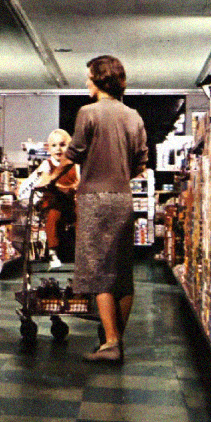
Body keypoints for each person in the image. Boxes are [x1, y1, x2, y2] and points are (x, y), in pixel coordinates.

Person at [37, 55, 148, 363]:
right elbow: (141, 164)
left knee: (99, 271)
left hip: (94, 200)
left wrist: (50, 177)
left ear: (99, 80)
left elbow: (72, 154)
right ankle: (116, 340)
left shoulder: (88, 113)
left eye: (88, 77)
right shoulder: (134, 116)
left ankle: (111, 342)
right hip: (122, 199)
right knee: (122, 272)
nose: (85, 82)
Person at [17, 129, 79, 267]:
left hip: (72, 202)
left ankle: (83, 250)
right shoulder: (47, 164)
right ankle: (53, 252)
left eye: (63, 145)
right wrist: (51, 183)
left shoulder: (75, 164)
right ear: (48, 148)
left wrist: (76, 187)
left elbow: (79, 181)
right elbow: (44, 179)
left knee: (82, 216)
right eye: (54, 145)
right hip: (54, 202)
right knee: (53, 216)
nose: (58, 149)